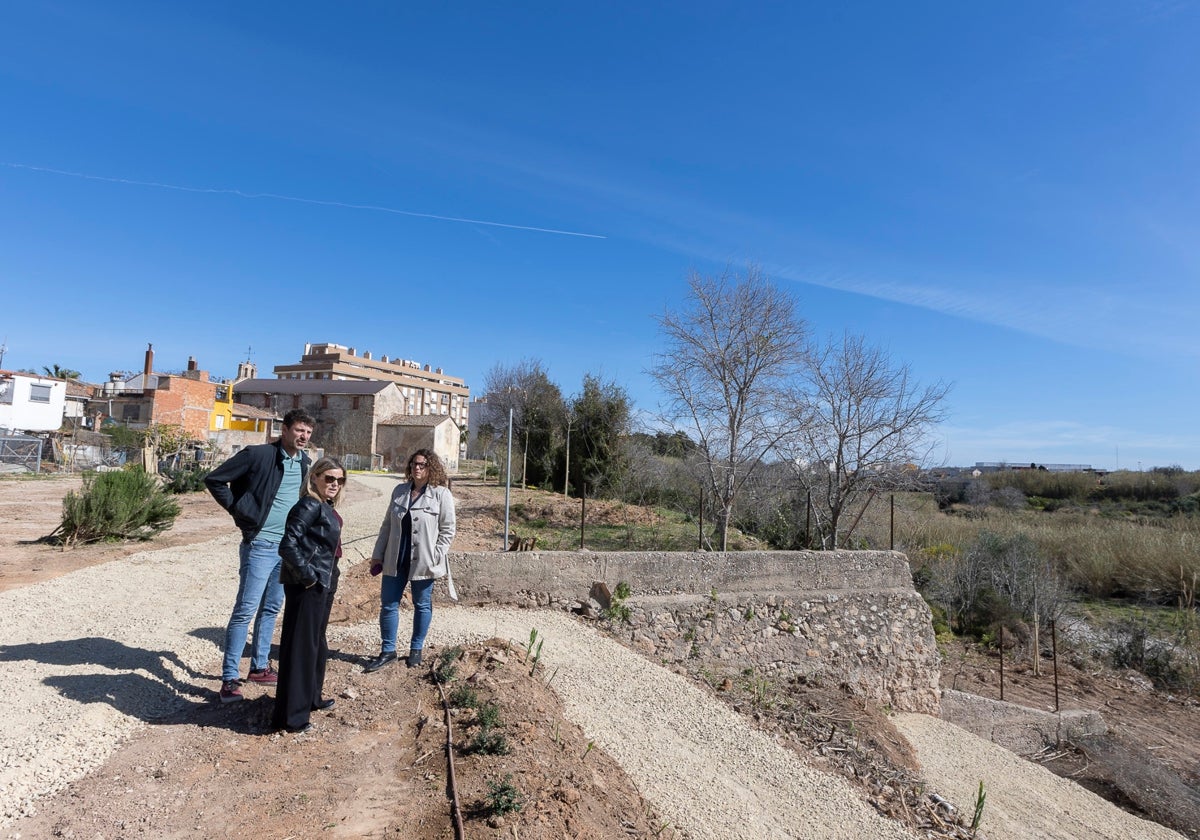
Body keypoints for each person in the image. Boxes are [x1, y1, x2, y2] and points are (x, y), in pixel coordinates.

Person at [205, 409, 315, 703]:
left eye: (308, 433)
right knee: (245, 610)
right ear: (285, 429)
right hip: (260, 545)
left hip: (287, 549)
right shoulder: (258, 455)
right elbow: (215, 479)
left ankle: (260, 666)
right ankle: (229, 678)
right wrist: (241, 512)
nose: (303, 437)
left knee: (270, 609)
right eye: (299, 430)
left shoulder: (305, 462)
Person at [363, 448, 456, 672]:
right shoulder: (399, 491)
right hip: (395, 558)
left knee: (422, 604)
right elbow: (387, 525)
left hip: (424, 560)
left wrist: (436, 554)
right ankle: (388, 651)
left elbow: (448, 530)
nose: (417, 468)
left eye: (422, 464)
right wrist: (378, 554)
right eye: (414, 463)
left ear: (430, 468)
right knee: (388, 604)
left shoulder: (441, 494)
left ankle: (416, 649)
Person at [272, 457, 345, 734]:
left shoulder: (324, 506)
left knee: (315, 644)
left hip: (323, 580)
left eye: (339, 480)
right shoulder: (309, 504)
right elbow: (287, 545)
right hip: (309, 584)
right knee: (301, 648)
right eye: (329, 478)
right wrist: (308, 577)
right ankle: (293, 717)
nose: (335, 484)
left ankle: (310, 698)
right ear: (314, 477)